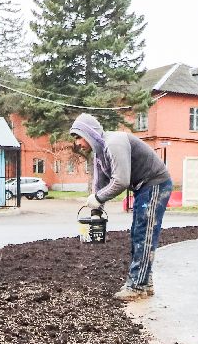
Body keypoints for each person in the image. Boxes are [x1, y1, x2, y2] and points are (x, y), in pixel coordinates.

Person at [70, 112, 174, 301]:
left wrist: (99, 198)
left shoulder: (114, 143)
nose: (77, 142)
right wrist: (96, 209)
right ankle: (145, 282)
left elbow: (121, 181)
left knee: (144, 233)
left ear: (90, 133)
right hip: (143, 187)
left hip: (155, 183)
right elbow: (99, 183)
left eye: (78, 136)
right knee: (137, 233)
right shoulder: (99, 152)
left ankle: (137, 286)